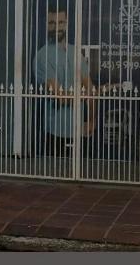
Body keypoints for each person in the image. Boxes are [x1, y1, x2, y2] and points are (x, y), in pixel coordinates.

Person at [32, 8, 96, 156]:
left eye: (61, 22)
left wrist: (92, 121)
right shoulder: (42, 56)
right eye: (52, 23)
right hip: (55, 133)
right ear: (46, 25)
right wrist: (84, 94)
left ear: (67, 24)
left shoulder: (75, 52)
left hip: (80, 131)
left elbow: (92, 92)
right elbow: (60, 97)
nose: (56, 27)